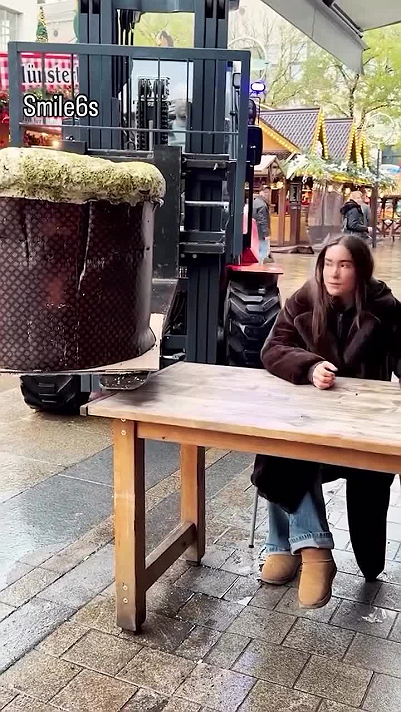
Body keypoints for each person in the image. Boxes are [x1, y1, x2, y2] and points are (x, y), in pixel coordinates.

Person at [251, 233, 401, 609]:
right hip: (312, 417)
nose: (333, 273)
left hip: (362, 425)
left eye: (344, 265)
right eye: (328, 264)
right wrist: (309, 366)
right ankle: (306, 549)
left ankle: (287, 544)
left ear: (361, 270)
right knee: (279, 446)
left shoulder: (385, 307)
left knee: (294, 453)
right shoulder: (305, 299)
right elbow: (273, 348)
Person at [253, 185, 272, 263]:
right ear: (260, 192)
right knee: (262, 252)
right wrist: (266, 234)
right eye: (265, 192)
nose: (267, 194)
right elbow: (262, 220)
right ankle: (260, 266)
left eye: (268, 192)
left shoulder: (254, 202)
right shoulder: (262, 205)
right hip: (261, 233)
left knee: (257, 251)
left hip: (254, 232)